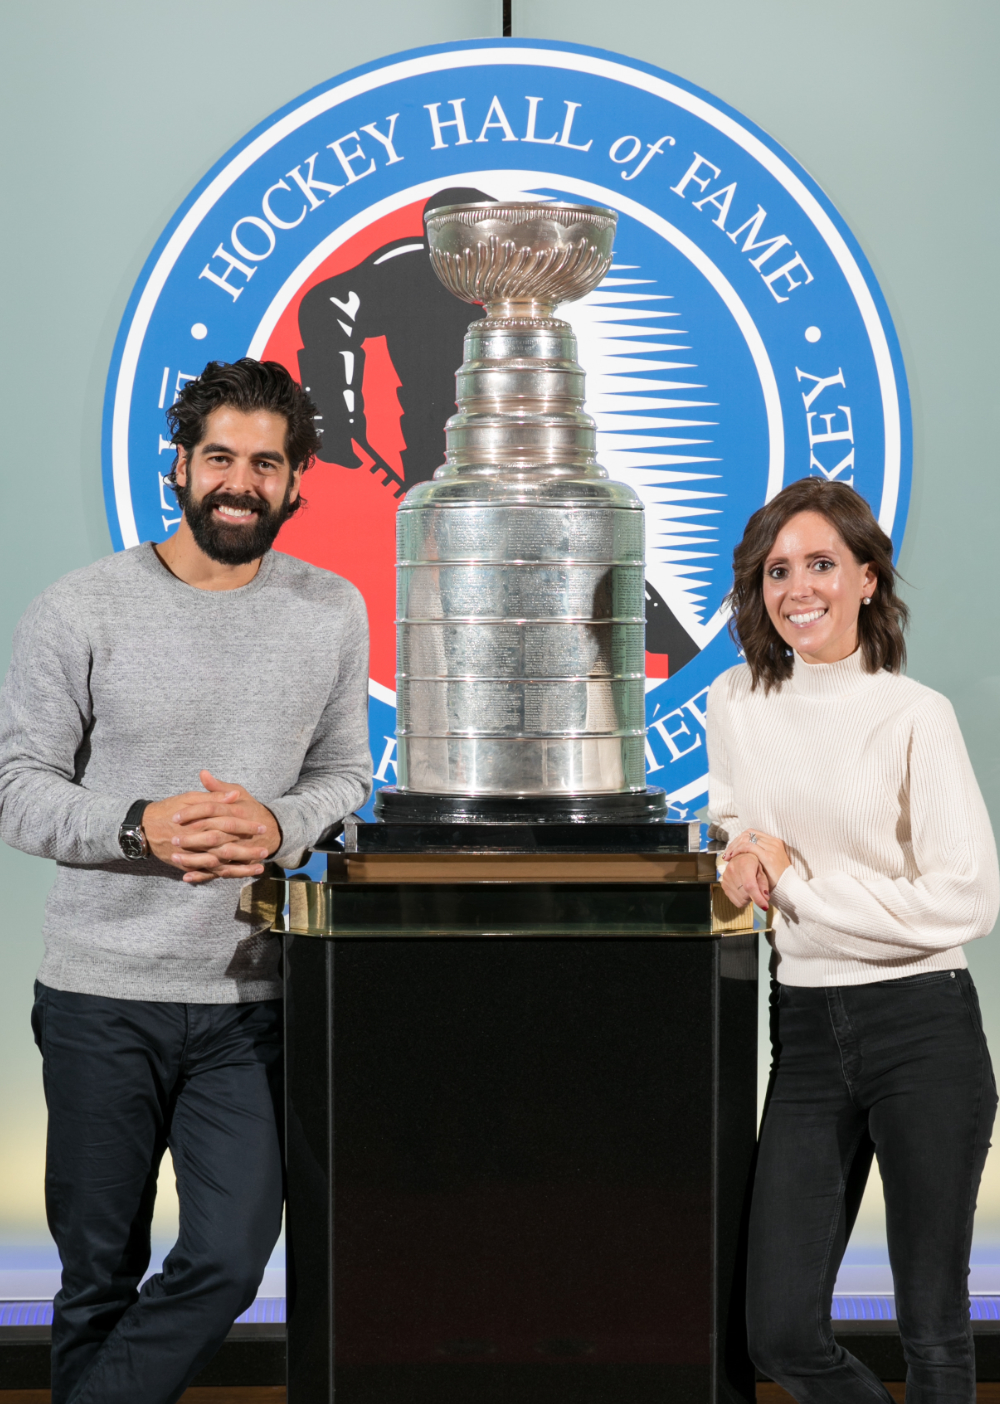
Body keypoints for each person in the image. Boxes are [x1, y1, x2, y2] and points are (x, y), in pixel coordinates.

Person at [0, 358, 372, 1404]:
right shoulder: (79, 610)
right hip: (97, 999)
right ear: (179, 466)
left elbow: (347, 774)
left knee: (227, 1256)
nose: (239, 481)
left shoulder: (329, 611)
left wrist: (280, 823)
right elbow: (15, 788)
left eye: (266, 463)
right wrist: (140, 824)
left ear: (298, 481)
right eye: (219, 457)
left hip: (249, 999)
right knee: (94, 1280)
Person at [707, 477, 998, 1404]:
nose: (799, 588)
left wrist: (799, 885)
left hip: (923, 1028)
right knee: (780, 1333)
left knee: (934, 1334)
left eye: (822, 564)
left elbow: (965, 900)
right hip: (803, 1035)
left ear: (868, 579)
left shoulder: (915, 715)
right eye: (778, 569)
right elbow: (735, 829)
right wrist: (740, 861)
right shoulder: (735, 702)